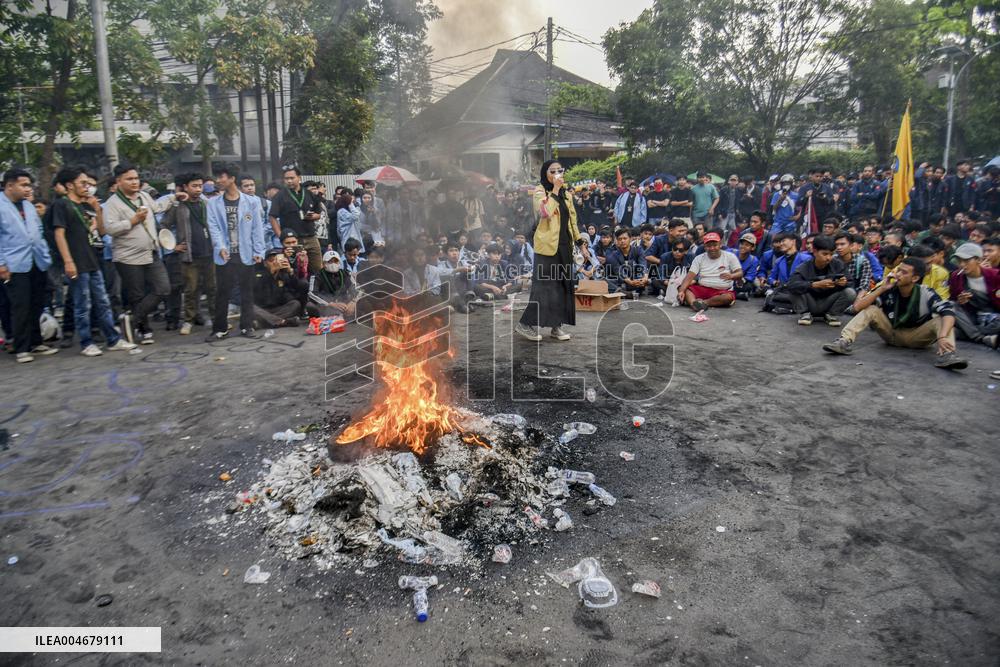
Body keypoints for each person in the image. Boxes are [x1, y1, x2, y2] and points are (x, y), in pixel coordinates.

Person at [49, 167, 136, 357]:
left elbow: (102, 232)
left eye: (88, 184)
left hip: (93, 260)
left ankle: (113, 339)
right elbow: (59, 234)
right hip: (76, 262)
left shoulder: (85, 205)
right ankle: (86, 341)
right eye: (83, 183)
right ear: (70, 185)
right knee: (83, 304)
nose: (87, 187)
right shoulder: (62, 205)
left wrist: (97, 210)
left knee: (102, 301)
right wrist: (68, 261)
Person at [822, 257, 968, 369]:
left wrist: (942, 336)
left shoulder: (926, 293)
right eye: (898, 270)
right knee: (871, 309)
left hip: (916, 337)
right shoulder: (889, 289)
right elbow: (857, 307)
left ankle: (947, 354)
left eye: (903, 272)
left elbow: (948, 312)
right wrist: (881, 288)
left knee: (942, 319)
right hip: (891, 334)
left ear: (915, 278)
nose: (897, 274)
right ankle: (844, 342)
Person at [102, 163, 186, 345]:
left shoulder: (144, 196)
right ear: (118, 181)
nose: (134, 182)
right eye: (129, 179)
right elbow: (109, 228)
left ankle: (131, 318)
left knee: (164, 288)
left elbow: (156, 207)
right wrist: (132, 221)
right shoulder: (112, 204)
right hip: (127, 257)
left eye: (136, 178)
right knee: (137, 294)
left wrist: (173, 197)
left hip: (151, 252)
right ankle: (143, 328)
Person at [515, 160, 581, 342]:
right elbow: (545, 212)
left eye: (560, 170)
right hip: (546, 249)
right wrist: (556, 190)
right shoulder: (540, 191)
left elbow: (572, 220)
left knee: (562, 287)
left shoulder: (567, 194)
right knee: (544, 288)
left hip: (565, 246)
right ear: (546, 174)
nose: (557, 174)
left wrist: (580, 240)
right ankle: (525, 324)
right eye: (553, 171)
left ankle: (556, 326)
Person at [1, 168, 60, 363]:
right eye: (23, 185)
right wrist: (1, 264)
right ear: (10, 185)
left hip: (37, 261)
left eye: (29, 185)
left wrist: (44, 253)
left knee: (37, 304)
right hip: (14, 264)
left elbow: (39, 230)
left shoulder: (27, 206)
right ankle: (21, 347)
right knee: (20, 306)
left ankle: (36, 342)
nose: (28, 189)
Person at [206, 166, 265, 340]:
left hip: (245, 252)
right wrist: (221, 247)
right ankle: (219, 329)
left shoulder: (251, 202)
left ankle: (247, 326)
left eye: (221, 176)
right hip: (225, 255)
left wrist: (258, 250)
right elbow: (214, 227)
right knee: (222, 292)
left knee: (247, 291)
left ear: (231, 178)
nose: (218, 180)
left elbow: (257, 228)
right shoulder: (213, 203)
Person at [161, 173, 216, 336]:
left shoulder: (207, 203)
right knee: (191, 289)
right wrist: (173, 246)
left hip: (210, 253)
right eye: (194, 186)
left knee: (213, 288)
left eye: (200, 186)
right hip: (189, 255)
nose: (198, 189)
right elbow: (163, 225)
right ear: (185, 187)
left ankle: (216, 318)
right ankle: (188, 321)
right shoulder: (178, 206)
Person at [268, 166, 324, 273]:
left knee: (317, 269)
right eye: (286, 178)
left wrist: (313, 216)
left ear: (299, 177)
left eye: (292, 178)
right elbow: (272, 217)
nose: (289, 181)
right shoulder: (280, 196)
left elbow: (319, 213)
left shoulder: (309, 194)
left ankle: (316, 289)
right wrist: (281, 236)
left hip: (311, 238)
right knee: (294, 270)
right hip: (292, 240)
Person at [786, 235, 852, 326]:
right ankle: (805, 314)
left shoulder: (838, 264)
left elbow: (850, 282)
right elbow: (791, 285)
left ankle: (831, 314)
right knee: (794, 288)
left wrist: (844, 283)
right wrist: (813, 285)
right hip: (809, 303)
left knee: (850, 292)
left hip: (829, 301)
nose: (829, 258)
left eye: (831, 254)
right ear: (815, 252)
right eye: (825, 254)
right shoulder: (804, 267)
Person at [948, 243, 1000, 349]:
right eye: (959, 261)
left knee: (953, 331)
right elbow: (953, 300)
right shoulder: (955, 276)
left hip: (995, 317)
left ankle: (969, 333)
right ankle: (982, 338)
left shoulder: (995, 275)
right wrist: (960, 301)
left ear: (979, 260)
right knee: (949, 305)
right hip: (973, 317)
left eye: (966, 261)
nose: (962, 264)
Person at [677, 232, 742, 311]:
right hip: (703, 288)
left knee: (728, 297)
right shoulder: (699, 258)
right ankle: (694, 303)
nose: (712, 248)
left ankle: (703, 303)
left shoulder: (730, 256)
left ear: (720, 244)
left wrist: (732, 276)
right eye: (708, 246)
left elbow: (740, 273)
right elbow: (689, 276)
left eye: (715, 245)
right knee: (685, 290)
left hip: (721, 291)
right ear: (704, 247)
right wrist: (681, 291)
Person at [253, 247, 309, 327]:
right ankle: (283, 322)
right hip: (263, 308)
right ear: (265, 263)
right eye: (271, 261)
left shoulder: (283, 274)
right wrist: (271, 274)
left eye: (277, 260)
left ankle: (264, 322)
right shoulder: (259, 275)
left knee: (295, 304)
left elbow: (297, 288)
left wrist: (291, 272)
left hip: (279, 308)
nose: (275, 263)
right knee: (250, 308)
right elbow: (259, 293)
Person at [308, 250, 356, 318]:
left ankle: (345, 315)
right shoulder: (317, 276)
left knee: (363, 303)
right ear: (324, 263)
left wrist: (353, 302)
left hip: (344, 304)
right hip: (326, 305)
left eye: (335, 261)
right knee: (310, 306)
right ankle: (333, 316)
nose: (333, 264)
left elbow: (357, 288)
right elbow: (312, 294)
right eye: (330, 261)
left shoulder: (346, 274)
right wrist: (330, 304)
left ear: (339, 262)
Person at [604, 227, 648, 296]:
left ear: (630, 239)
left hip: (636, 279)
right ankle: (625, 293)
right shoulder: (613, 255)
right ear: (617, 241)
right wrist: (630, 282)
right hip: (622, 281)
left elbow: (643, 264)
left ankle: (623, 292)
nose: (622, 241)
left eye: (625, 238)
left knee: (649, 279)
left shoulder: (638, 250)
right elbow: (619, 271)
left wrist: (644, 278)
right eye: (620, 239)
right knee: (603, 281)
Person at [729, 232, 760, 301]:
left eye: (747, 245)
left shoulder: (753, 260)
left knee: (749, 286)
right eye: (742, 244)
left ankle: (735, 293)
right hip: (727, 278)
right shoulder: (730, 252)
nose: (743, 246)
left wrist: (742, 280)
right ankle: (737, 294)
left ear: (753, 247)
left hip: (740, 281)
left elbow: (751, 276)